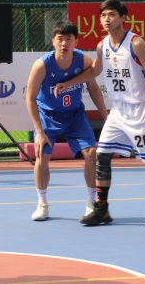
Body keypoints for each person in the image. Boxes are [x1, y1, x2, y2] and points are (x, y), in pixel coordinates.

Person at [81, 0, 145, 228]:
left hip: (141, 110)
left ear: (123, 18)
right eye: (103, 15)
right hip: (118, 111)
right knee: (102, 156)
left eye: (112, 15)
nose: (106, 19)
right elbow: (94, 71)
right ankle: (102, 209)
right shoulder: (102, 46)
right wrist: (68, 82)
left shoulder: (136, 43)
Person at [25, 20, 108, 222]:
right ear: (53, 41)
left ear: (76, 42)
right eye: (60, 39)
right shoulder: (42, 65)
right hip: (48, 116)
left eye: (69, 39)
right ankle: (42, 204)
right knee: (42, 156)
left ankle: (91, 203)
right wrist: (39, 131)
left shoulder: (83, 60)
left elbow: (93, 88)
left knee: (91, 154)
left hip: (75, 116)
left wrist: (107, 117)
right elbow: (30, 97)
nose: (64, 44)